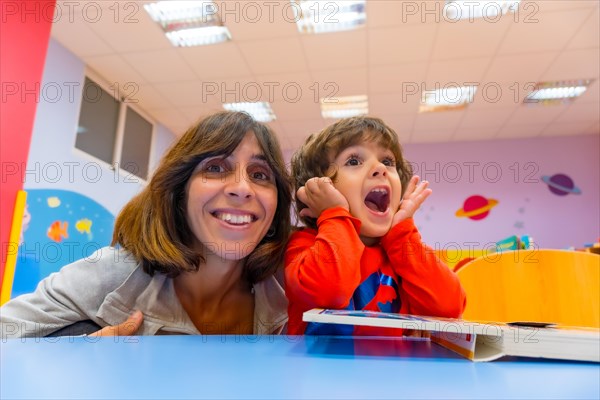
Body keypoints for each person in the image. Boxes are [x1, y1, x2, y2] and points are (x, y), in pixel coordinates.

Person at [1, 111, 292, 338]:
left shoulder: (292, 284)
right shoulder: (114, 275)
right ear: (179, 192)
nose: (242, 188)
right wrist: (75, 356)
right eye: (215, 168)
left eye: (260, 174)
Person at [285, 116, 466, 335]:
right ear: (316, 191)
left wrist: (402, 236)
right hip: (323, 370)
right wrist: (334, 215)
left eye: (388, 161)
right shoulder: (304, 246)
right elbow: (329, 291)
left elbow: (449, 309)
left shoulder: (401, 252)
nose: (380, 168)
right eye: (353, 161)